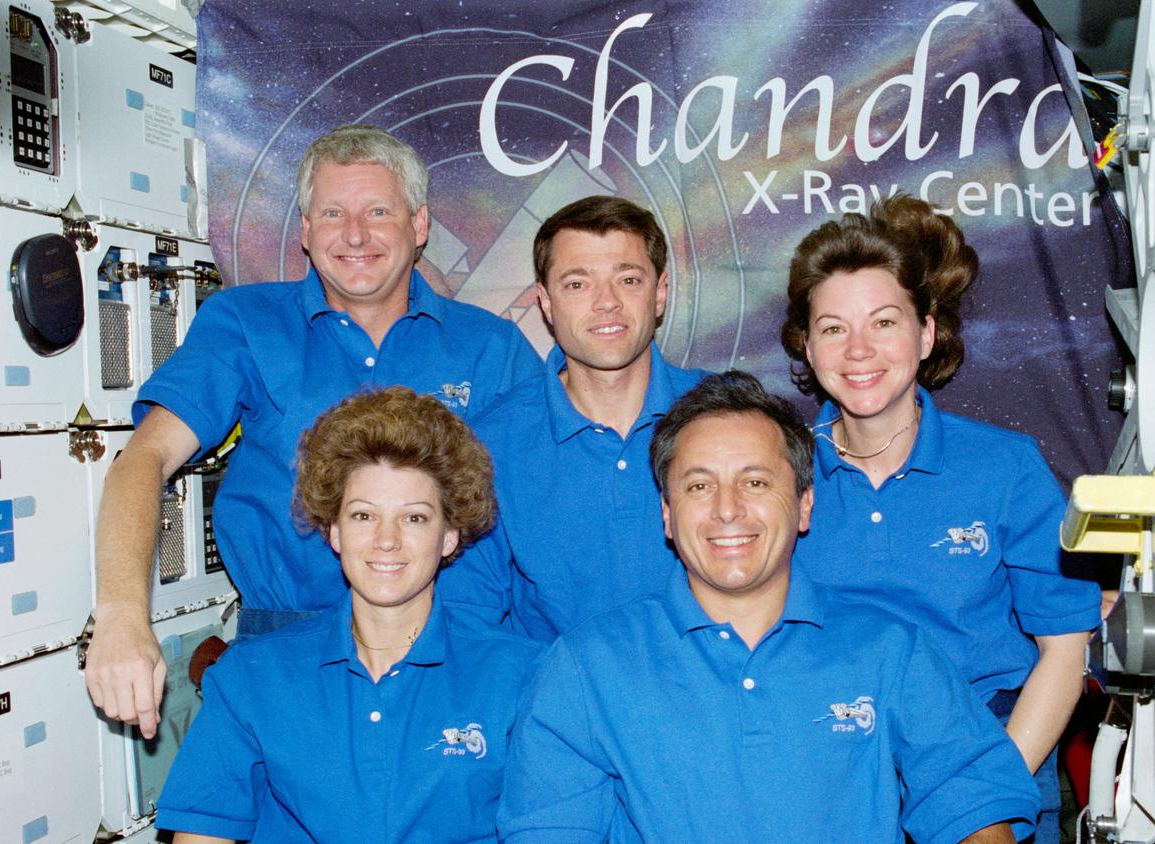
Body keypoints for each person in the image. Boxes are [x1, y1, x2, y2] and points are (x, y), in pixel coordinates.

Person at [85, 124, 542, 739]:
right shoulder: (245, 324)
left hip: (457, 660)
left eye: (378, 211)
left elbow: (543, 506)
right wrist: (119, 616)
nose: (355, 235)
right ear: (305, 232)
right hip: (287, 658)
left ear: (420, 225)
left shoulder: (491, 347)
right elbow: (144, 460)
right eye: (332, 213)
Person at [498, 372, 1039, 843]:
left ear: (805, 503)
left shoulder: (890, 650)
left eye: (755, 482)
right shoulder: (584, 669)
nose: (727, 510)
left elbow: (973, 800)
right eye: (699, 485)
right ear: (666, 513)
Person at [779, 195, 1101, 842]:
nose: (859, 349)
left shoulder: (1004, 468)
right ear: (807, 347)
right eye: (834, 328)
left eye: (884, 322)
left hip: (992, 770)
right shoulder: (777, 478)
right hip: (828, 789)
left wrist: (978, 798)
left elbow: (1065, 655)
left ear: (926, 334)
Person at [156, 387, 542, 843]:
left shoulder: (522, 675)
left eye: (414, 518)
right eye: (363, 516)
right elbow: (202, 835)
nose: (386, 540)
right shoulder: (253, 676)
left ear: (450, 535)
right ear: (334, 531)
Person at [439, 196, 705, 640]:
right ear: (545, 302)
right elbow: (470, 624)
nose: (607, 303)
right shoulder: (489, 445)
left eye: (628, 279)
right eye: (578, 284)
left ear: (659, 293)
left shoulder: (731, 417)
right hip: (556, 705)